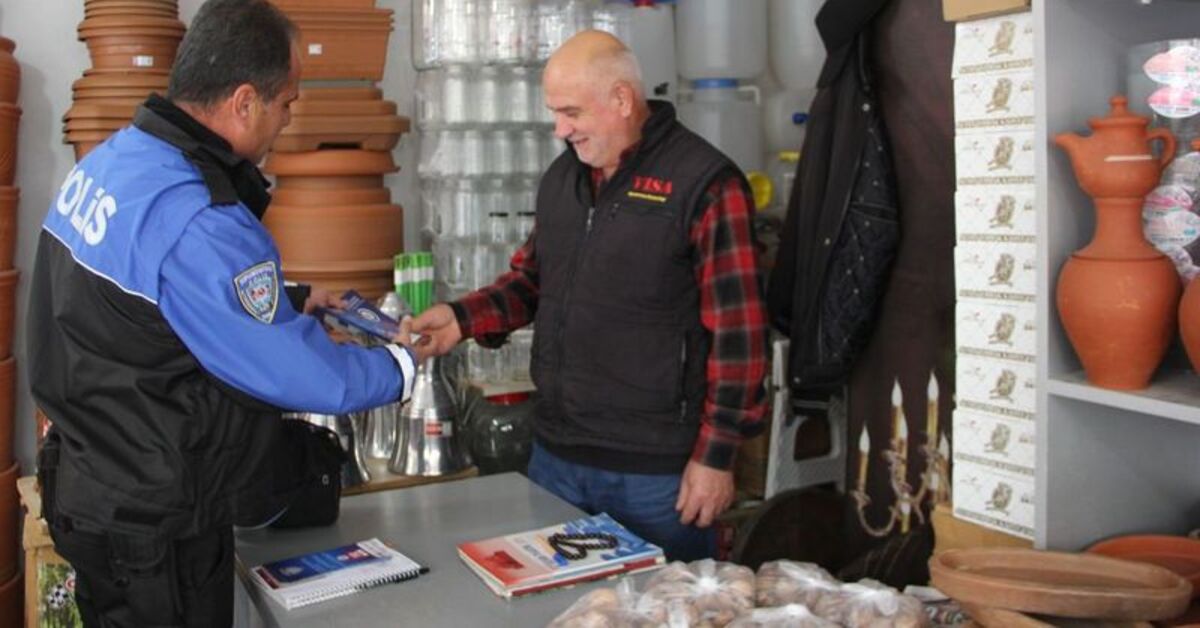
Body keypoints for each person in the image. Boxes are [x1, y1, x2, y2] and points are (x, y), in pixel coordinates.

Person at [26, 1, 416, 625]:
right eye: (286, 103)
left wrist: (291, 300)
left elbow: (152, 307)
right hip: (158, 527)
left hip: (88, 486)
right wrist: (402, 367)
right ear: (242, 102)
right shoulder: (200, 214)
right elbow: (299, 373)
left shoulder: (114, 163)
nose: (288, 120)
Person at [407, 30, 768, 561]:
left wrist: (716, 458)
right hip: (557, 459)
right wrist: (461, 319)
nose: (560, 128)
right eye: (554, 112)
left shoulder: (706, 184)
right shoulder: (564, 179)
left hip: (657, 474)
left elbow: (739, 338)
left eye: (571, 111)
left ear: (622, 99)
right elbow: (532, 281)